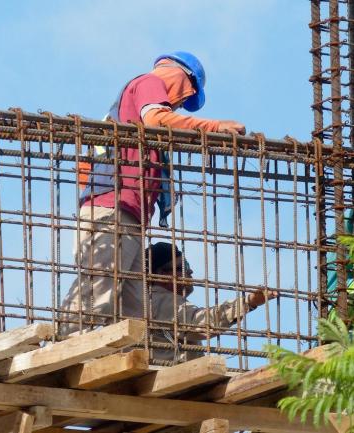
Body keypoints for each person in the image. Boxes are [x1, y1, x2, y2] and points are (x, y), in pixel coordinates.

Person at [60, 52, 246, 335]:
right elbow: (157, 119)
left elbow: (87, 168)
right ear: (183, 78)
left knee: (134, 309)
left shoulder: (128, 112)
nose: (182, 104)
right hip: (114, 206)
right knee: (98, 288)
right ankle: (66, 344)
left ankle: (133, 352)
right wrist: (215, 128)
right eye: (187, 96)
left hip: (125, 212)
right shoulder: (149, 82)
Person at [144, 242, 277, 362]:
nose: (190, 271)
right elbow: (201, 324)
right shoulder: (158, 299)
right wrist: (247, 302)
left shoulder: (152, 300)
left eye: (188, 265)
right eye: (182, 267)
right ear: (161, 274)